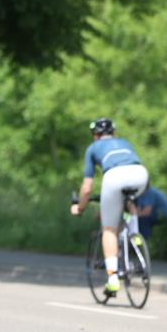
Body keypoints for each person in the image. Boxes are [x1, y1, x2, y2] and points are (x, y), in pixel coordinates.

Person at [69, 118, 148, 297]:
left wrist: (80, 208)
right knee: (128, 200)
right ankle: (134, 234)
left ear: (95, 135)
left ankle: (112, 279)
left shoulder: (93, 148)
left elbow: (87, 188)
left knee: (109, 230)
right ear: (113, 133)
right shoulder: (124, 143)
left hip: (114, 177)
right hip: (140, 174)